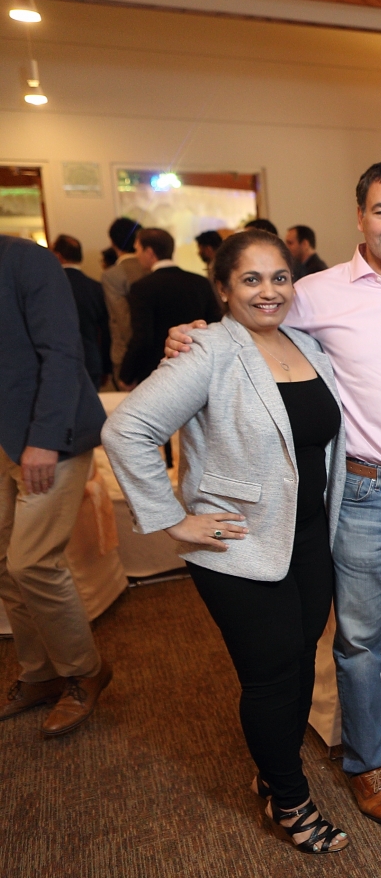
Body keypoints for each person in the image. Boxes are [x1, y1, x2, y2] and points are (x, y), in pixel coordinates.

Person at [166, 161, 381, 826]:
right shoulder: (314, 294)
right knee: (358, 641)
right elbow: (251, 317)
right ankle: (366, 761)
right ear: (360, 216)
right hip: (365, 492)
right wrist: (190, 336)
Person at [102, 230, 349, 855]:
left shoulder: (308, 344)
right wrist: (173, 520)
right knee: (269, 676)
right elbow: (127, 428)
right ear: (222, 289)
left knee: (297, 665)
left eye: (279, 278)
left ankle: (274, 773)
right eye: (251, 279)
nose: (268, 291)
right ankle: (291, 803)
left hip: (311, 537)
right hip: (238, 542)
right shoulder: (208, 350)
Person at [0, 235, 112, 738]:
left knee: (32, 561)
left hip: (50, 437)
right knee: (4, 564)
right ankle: (39, 673)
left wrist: (43, 440)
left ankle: (83, 670)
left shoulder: (26, 259)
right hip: (2, 442)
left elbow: (64, 354)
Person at [119, 228, 222, 387]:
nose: (136, 255)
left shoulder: (142, 287)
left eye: (137, 250)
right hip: (198, 368)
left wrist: (126, 374)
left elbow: (142, 337)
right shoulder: (200, 282)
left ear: (149, 252)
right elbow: (215, 326)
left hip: (157, 373)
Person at [53, 234, 112, 389]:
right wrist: (106, 366)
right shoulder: (95, 287)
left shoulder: (50, 287)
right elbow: (105, 329)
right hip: (91, 358)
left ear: (57, 256)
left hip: (59, 360)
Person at [100, 216, 145, 385]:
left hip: (127, 355)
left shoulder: (112, 275)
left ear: (113, 242)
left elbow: (123, 320)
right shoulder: (151, 269)